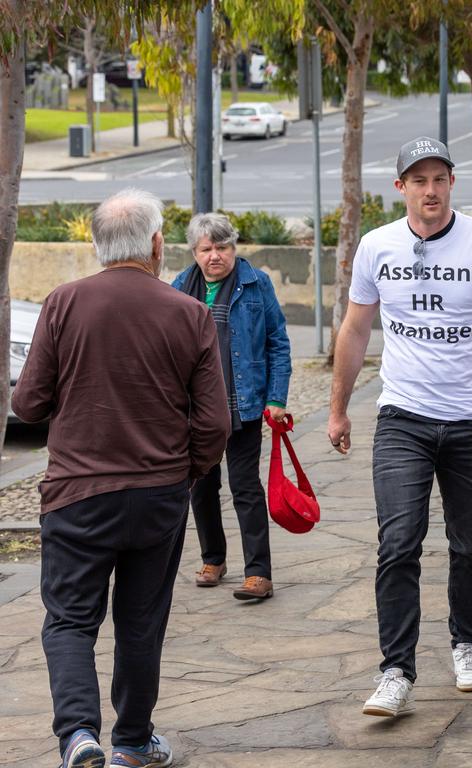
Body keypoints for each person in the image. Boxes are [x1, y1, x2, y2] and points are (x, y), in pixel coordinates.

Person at [12, 189, 231, 768]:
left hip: (76, 495)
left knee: (68, 620)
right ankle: (132, 742)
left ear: (96, 245)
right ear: (158, 246)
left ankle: (78, 736)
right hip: (158, 497)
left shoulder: (63, 304)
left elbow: (29, 405)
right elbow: (214, 424)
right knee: (141, 622)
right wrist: (185, 475)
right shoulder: (191, 314)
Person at [328, 136, 472, 718]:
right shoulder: (377, 246)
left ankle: (467, 645)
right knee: (398, 543)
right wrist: (339, 407)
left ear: (451, 183)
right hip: (402, 419)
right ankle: (395, 670)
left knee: (470, 543)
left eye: (439, 178)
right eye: (417, 180)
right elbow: (354, 329)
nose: (430, 190)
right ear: (400, 188)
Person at [171, 213, 292, 601]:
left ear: (233, 248)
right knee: (202, 488)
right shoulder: (179, 288)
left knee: (245, 487)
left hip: (245, 404)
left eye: (222, 247)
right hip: (195, 410)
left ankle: (258, 572)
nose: (215, 256)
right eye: (206, 249)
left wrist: (276, 399)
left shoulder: (256, 284)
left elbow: (278, 341)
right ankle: (214, 559)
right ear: (195, 252)